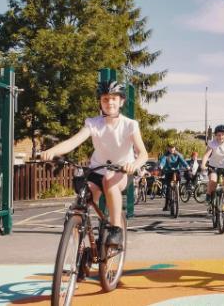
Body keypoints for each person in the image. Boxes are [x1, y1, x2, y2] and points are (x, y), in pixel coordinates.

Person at [41, 80, 148, 246]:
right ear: (100, 101)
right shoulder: (93, 123)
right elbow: (73, 141)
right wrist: (53, 151)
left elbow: (143, 154)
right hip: (97, 170)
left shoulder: (130, 125)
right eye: (105, 99)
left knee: (109, 182)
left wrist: (133, 165)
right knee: (85, 194)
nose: (109, 102)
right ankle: (80, 228)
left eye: (114, 98)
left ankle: (116, 230)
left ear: (121, 101)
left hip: (121, 171)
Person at [159, 144, 190, 211]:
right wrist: (161, 165)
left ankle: (177, 193)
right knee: (168, 188)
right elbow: (163, 161)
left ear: (175, 148)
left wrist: (187, 166)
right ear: (167, 148)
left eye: (173, 148)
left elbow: (183, 161)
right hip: (168, 172)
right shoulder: (165, 155)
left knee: (177, 183)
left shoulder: (178, 155)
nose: (172, 149)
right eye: (170, 148)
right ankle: (167, 205)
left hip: (176, 171)